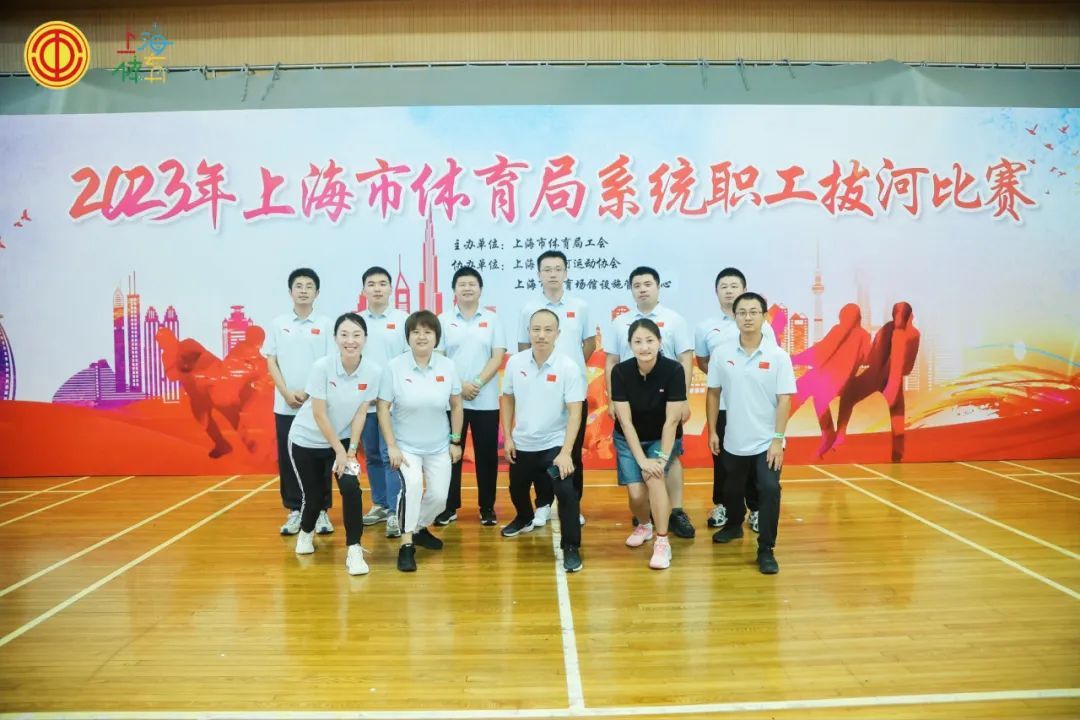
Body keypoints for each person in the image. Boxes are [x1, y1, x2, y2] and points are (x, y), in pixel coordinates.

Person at [706, 292, 795, 575]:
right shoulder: (722, 354)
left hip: (767, 442)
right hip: (733, 439)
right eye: (742, 312)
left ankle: (766, 549)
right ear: (735, 317)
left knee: (769, 489)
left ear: (764, 317)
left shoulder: (778, 356)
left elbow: (784, 399)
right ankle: (734, 525)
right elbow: (713, 393)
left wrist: (778, 440)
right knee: (731, 489)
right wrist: (712, 431)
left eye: (753, 312)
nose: (747, 317)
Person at [605, 266, 696, 538]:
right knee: (642, 470)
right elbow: (611, 361)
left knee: (671, 457)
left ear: (658, 287)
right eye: (637, 285)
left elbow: (685, 359)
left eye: (648, 284)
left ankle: (675, 512)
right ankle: (647, 514)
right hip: (629, 399)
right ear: (631, 290)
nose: (642, 289)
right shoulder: (620, 323)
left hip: (666, 401)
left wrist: (683, 399)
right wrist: (611, 399)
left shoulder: (674, 320)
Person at [287, 313, 380, 575]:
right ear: (336, 338)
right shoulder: (322, 367)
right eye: (344, 335)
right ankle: (306, 532)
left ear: (365, 338)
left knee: (351, 489)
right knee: (315, 496)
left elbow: (361, 413)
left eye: (356, 335)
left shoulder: (373, 371)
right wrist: (339, 450)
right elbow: (319, 414)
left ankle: (354, 550)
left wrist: (350, 451)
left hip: (342, 440)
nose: (351, 341)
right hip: (306, 440)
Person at [377, 310, 464, 572]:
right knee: (412, 487)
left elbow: (456, 405)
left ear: (436, 337)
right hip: (406, 447)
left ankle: (418, 528)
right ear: (408, 337)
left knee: (439, 497)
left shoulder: (447, 366)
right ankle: (406, 545)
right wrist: (392, 445)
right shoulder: (394, 367)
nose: (422, 336)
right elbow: (383, 408)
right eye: (416, 332)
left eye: (428, 332)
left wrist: (455, 440)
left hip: (439, 446)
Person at [501, 309, 586, 573]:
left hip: (554, 444)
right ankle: (525, 517)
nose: (541, 335)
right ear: (528, 332)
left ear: (557, 334)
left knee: (566, 492)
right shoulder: (515, 363)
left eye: (548, 330)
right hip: (523, 442)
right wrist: (508, 437)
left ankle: (570, 547)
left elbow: (575, 412)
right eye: (536, 329)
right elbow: (507, 398)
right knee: (517, 489)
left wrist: (566, 452)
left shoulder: (568, 367)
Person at [694, 267, 776, 533]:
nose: (729, 291)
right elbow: (704, 362)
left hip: (754, 407)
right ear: (716, 292)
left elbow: (770, 363)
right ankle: (724, 506)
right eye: (723, 287)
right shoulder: (706, 327)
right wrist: (728, 378)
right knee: (722, 459)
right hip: (723, 406)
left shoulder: (765, 327)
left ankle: (756, 508)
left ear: (744, 290)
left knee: (753, 460)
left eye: (734, 286)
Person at [517, 250, 595, 528]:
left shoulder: (580, 306)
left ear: (566, 272)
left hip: (573, 391)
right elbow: (523, 347)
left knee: (571, 452)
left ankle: (572, 504)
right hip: (540, 393)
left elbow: (589, 344)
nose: (552, 274)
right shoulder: (529, 309)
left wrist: (568, 372)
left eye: (558, 269)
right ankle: (543, 504)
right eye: (547, 269)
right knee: (541, 451)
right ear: (538, 274)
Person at [262, 268, 333, 537]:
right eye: (299, 286)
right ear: (290, 291)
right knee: (289, 458)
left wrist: (309, 392)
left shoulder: (326, 324)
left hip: (318, 404)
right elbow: (271, 360)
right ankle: (295, 510)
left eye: (309, 286)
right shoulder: (278, 324)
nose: (304, 290)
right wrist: (286, 393)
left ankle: (322, 511)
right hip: (286, 404)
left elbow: (330, 363)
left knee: (321, 458)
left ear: (317, 292)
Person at [611, 319, 687, 570]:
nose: (644, 347)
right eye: (638, 342)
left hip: (661, 436)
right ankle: (644, 525)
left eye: (650, 341)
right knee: (636, 495)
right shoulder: (620, 372)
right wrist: (642, 460)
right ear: (630, 345)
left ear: (660, 342)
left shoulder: (674, 370)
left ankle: (662, 542)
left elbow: (671, 421)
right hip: (628, 437)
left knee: (654, 479)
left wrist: (661, 458)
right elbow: (625, 422)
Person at [435, 267, 507, 527]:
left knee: (487, 456)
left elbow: (497, 356)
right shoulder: (443, 320)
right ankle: (449, 506)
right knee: (450, 454)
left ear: (480, 289)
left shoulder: (492, 319)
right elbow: (439, 357)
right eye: (462, 284)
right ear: (454, 290)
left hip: (485, 400)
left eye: (472, 284)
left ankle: (487, 507)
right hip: (452, 400)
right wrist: (459, 386)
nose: (467, 288)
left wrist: (475, 383)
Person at [830, 302, 921, 462]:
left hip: (879, 375)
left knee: (850, 395)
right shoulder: (906, 333)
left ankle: (841, 434)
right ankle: (897, 454)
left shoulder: (904, 333)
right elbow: (904, 366)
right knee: (896, 414)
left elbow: (876, 356)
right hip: (881, 376)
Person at [358, 266, 410, 538]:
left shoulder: (403, 320)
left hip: (393, 404)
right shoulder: (356, 322)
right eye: (371, 284)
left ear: (390, 288)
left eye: (382, 283)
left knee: (391, 455)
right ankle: (379, 504)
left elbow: (409, 359)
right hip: (365, 403)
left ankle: (394, 510)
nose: (377, 288)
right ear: (364, 290)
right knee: (373, 455)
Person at [790, 303, 871, 457]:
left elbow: (819, 351)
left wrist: (795, 359)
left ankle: (775, 433)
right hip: (834, 379)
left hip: (828, 378)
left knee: (797, 396)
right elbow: (866, 358)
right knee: (817, 400)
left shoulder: (841, 330)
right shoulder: (864, 336)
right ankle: (828, 436)